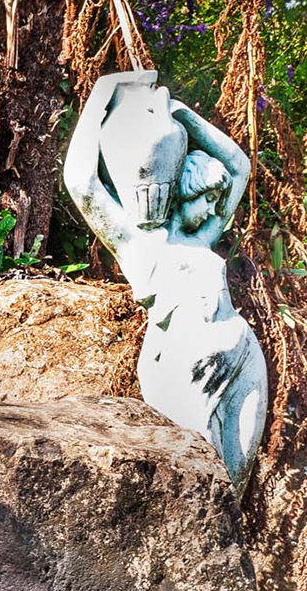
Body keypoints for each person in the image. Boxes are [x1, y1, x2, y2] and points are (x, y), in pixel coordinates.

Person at [62, 70, 266, 484]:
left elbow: (239, 167)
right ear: (184, 192)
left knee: (237, 477)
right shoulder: (140, 244)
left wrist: (185, 118)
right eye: (207, 199)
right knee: (199, 476)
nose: (214, 211)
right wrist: (103, 94)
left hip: (242, 352)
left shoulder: (202, 239)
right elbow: (81, 183)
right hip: (182, 366)